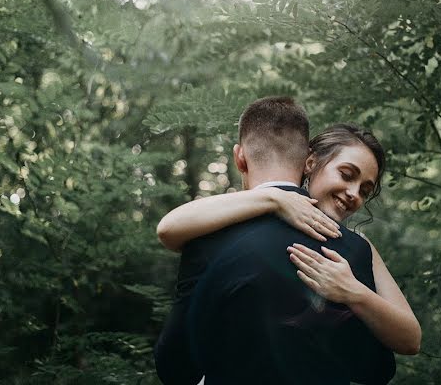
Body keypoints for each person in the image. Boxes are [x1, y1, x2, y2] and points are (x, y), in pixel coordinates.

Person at [153, 97, 399, 385]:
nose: (354, 194)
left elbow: (175, 365)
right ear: (308, 161)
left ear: (239, 157)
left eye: (365, 189)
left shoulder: (207, 237)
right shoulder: (353, 250)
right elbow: (376, 369)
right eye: (346, 175)